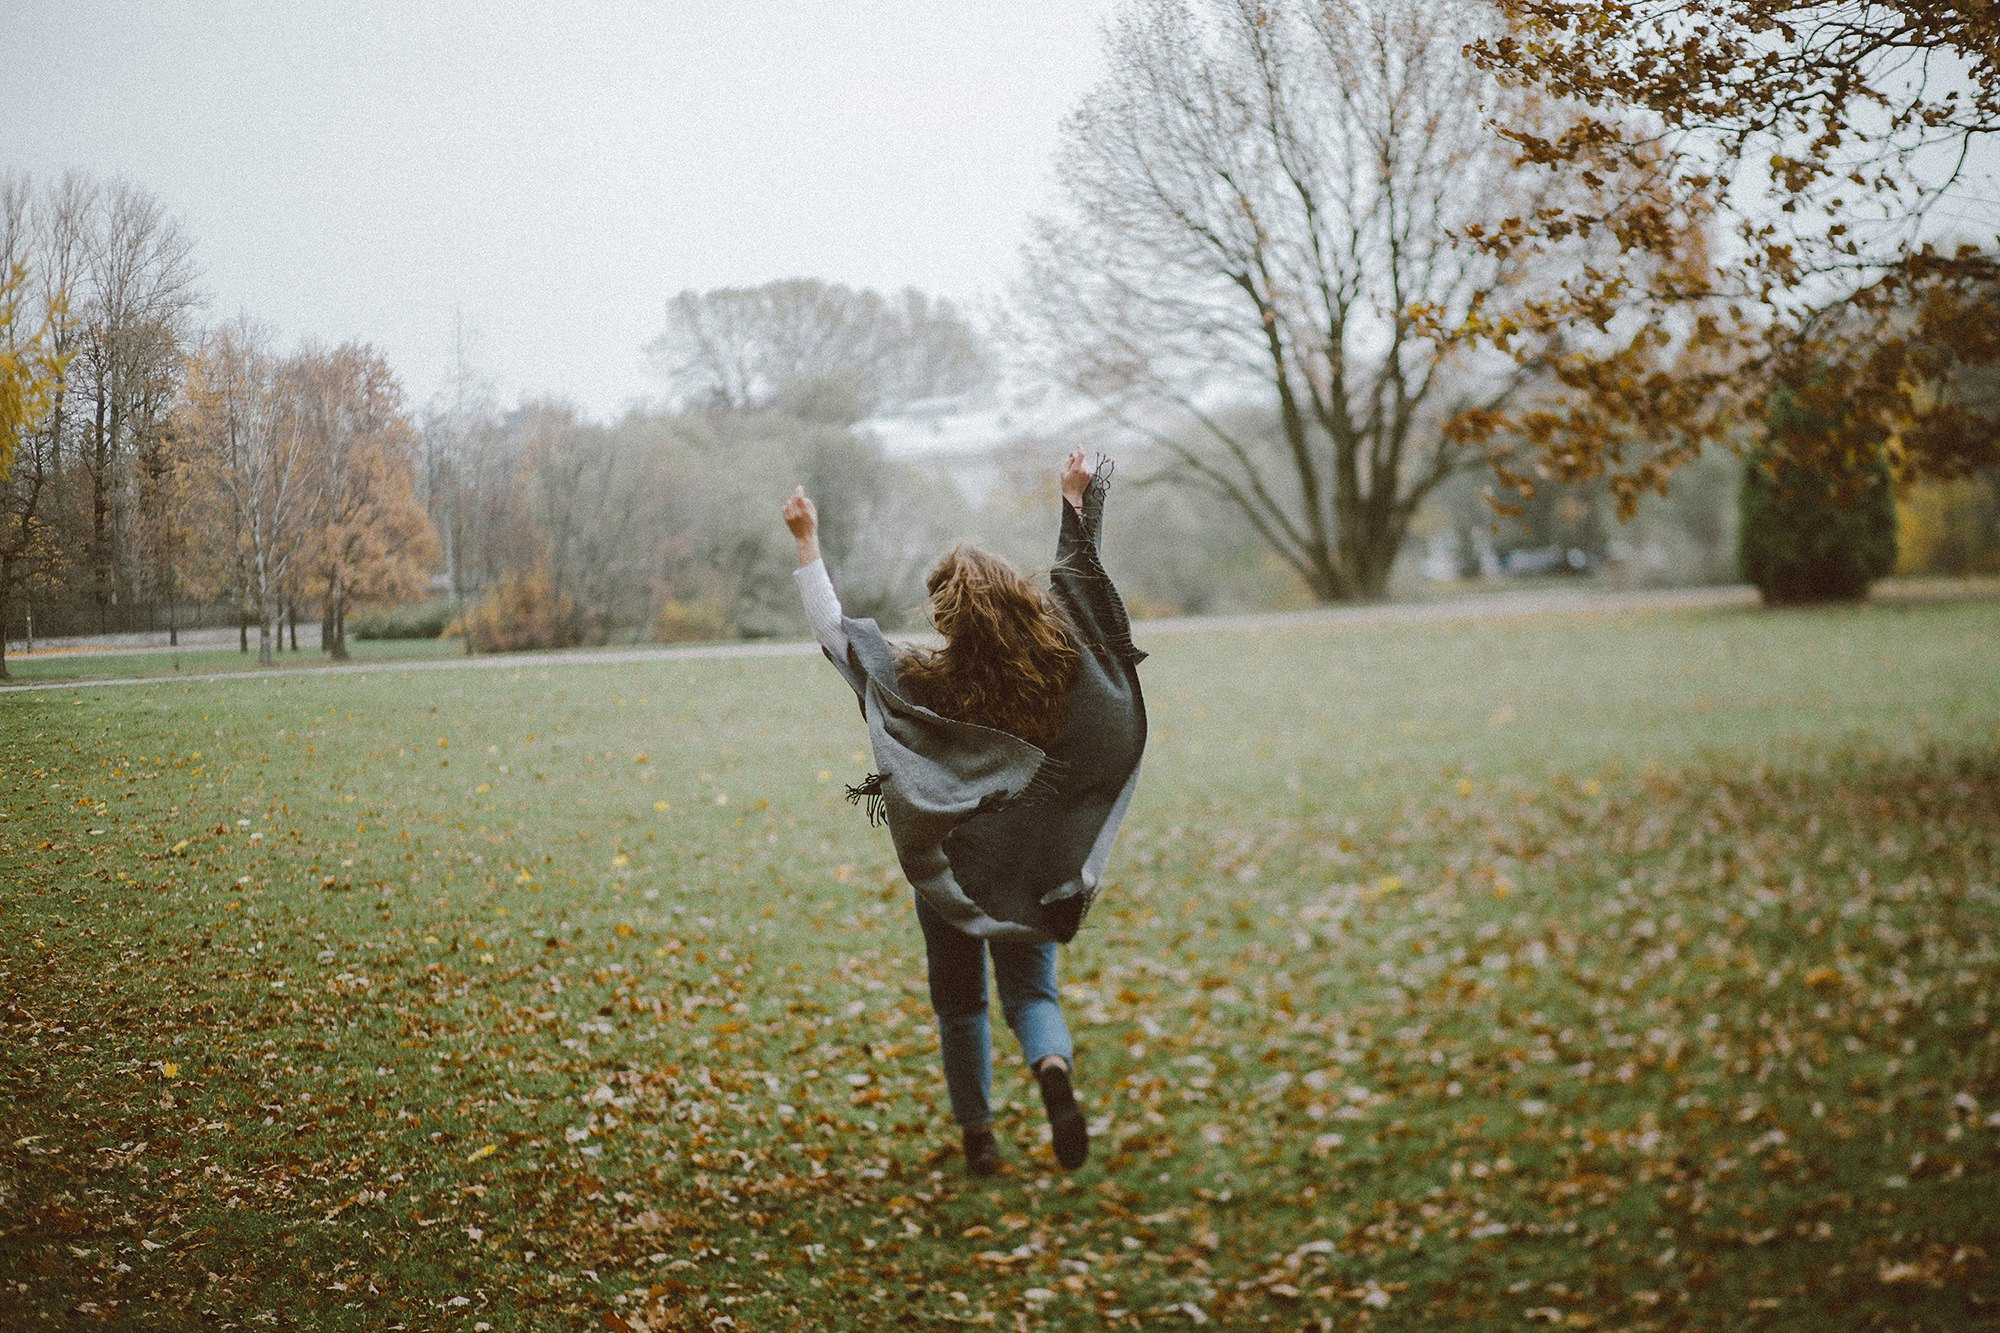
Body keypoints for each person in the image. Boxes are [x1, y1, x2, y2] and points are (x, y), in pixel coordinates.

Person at [780, 446, 1147, 1176]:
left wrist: (805, 542)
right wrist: (1074, 502)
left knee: (960, 1002)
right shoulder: (1058, 669)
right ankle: (1050, 1068)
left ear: (947, 614)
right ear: (1016, 597)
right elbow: (1082, 592)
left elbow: (838, 637)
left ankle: (979, 1137)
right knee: (1032, 989)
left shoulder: (925, 676)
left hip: (954, 871)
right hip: (1033, 868)